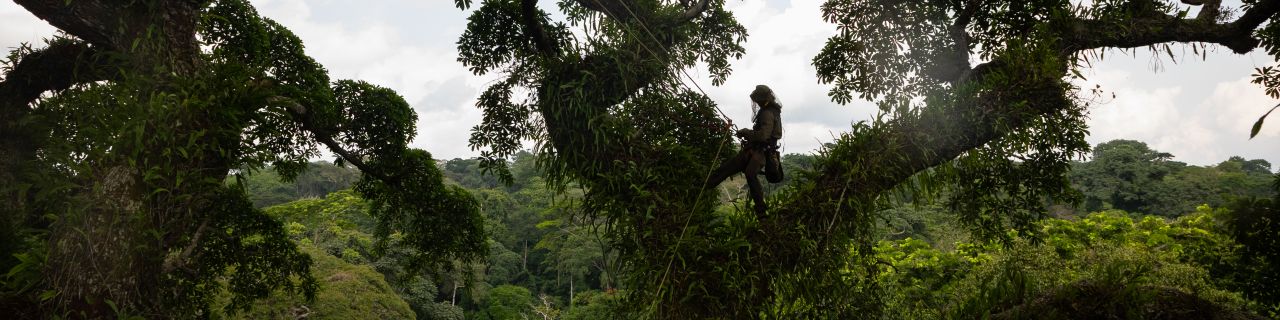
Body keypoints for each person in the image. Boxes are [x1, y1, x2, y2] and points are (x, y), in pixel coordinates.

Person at [705, 85, 783, 214]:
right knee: (727, 168)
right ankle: (703, 187)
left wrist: (746, 132)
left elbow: (763, 136)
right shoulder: (771, 111)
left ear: (763, 99)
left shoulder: (767, 113)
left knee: (750, 173)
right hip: (756, 150)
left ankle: (761, 210)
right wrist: (747, 133)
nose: (756, 103)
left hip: (762, 152)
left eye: (757, 100)